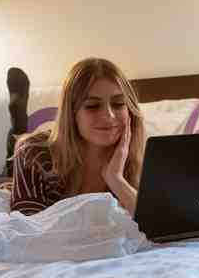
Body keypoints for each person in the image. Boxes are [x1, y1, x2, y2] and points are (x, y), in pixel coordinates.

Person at [10, 57, 145, 216]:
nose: (109, 115)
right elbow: (27, 226)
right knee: (16, 146)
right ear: (72, 114)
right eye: (92, 106)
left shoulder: (143, 160)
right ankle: (17, 122)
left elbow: (156, 225)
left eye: (119, 103)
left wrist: (116, 180)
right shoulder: (34, 154)